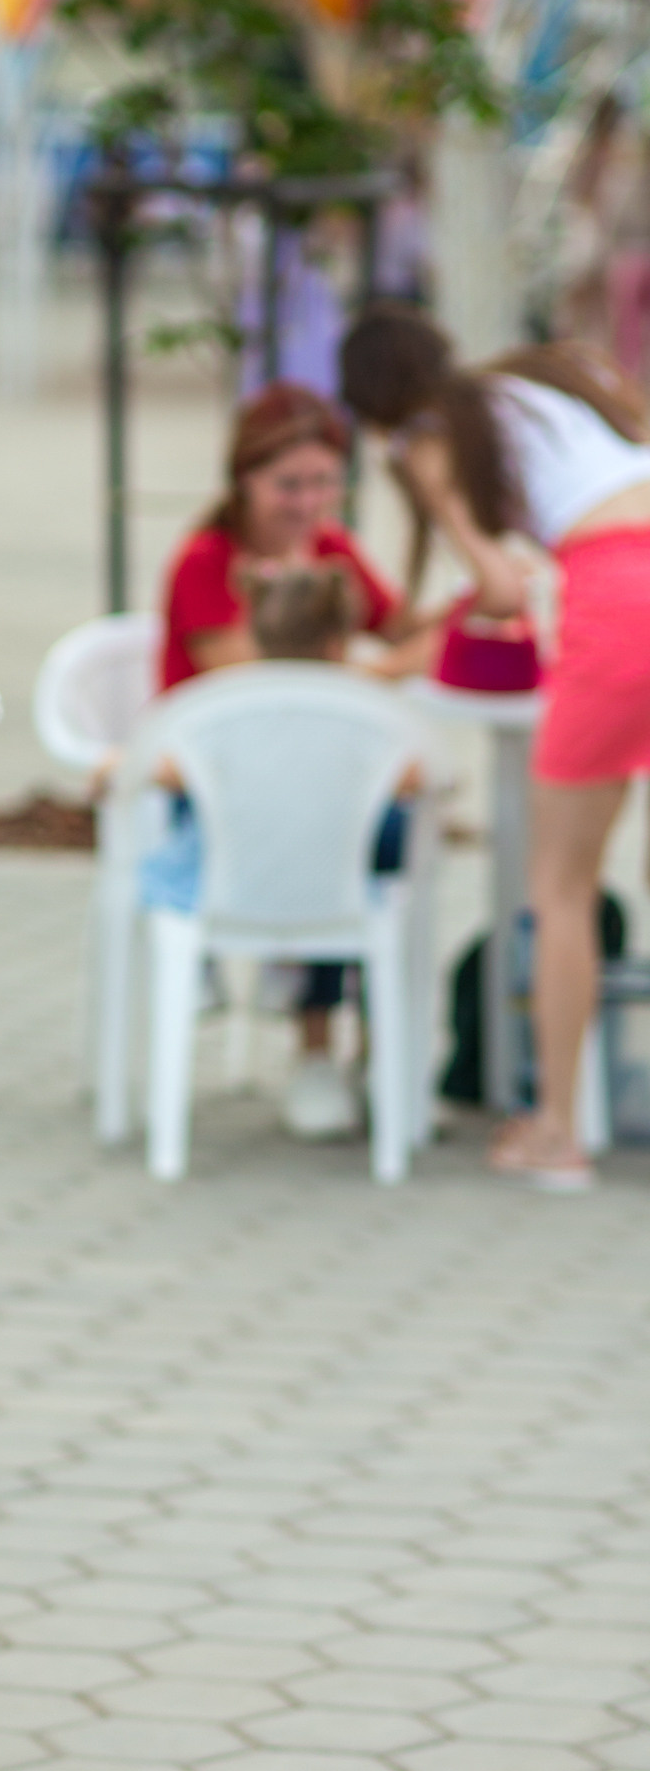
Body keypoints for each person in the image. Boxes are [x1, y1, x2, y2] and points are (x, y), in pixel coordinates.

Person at [340, 305, 650, 1191]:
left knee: (559, 892)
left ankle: (557, 1130)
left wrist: (411, 650)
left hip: (620, 608)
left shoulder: (428, 437)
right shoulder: (536, 382)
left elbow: (503, 583)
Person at [158, 382, 414, 1138]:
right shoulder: (205, 563)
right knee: (354, 834)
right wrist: (382, 670)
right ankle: (315, 1041)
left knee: (379, 832)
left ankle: (365, 1050)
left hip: (317, 788)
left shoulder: (334, 551)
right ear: (245, 480)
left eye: (324, 482)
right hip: (215, 791)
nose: (309, 502)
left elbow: (399, 629)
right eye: (289, 484)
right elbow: (269, 681)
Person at [139, 561, 418, 917]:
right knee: (377, 827)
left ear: (255, 640)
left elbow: (173, 771)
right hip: (336, 896)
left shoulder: (234, 713)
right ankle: (325, 970)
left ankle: (203, 966)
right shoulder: (361, 719)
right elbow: (412, 778)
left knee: (201, 814)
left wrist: (114, 766)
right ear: (338, 645)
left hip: (234, 889)